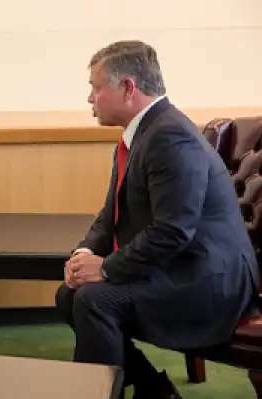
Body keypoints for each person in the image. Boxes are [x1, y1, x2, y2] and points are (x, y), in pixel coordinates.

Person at [56, 40, 260, 399]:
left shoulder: (170, 136)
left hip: (209, 282)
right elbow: (111, 213)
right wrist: (83, 255)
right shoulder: (142, 134)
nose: (90, 98)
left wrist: (105, 269)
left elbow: (172, 230)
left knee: (93, 301)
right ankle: (153, 390)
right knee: (69, 295)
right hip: (180, 267)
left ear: (128, 88)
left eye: (96, 87)